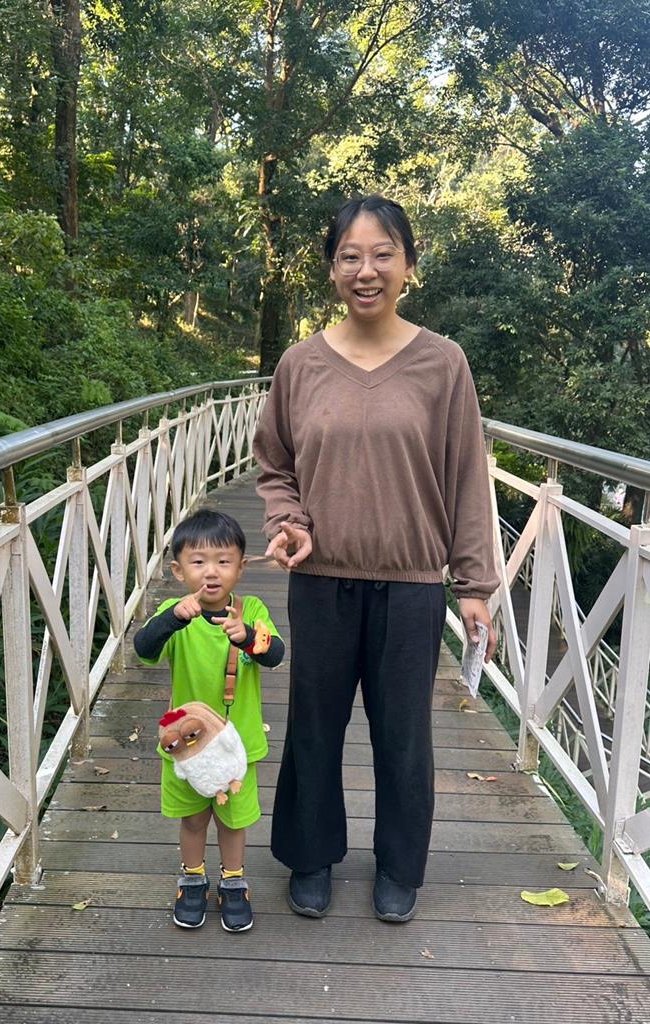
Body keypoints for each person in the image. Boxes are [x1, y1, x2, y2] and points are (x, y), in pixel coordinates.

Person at [253, 194, 499, 924]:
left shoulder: (442, 363)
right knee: (313, 726)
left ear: (408, 265)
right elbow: (274, 465)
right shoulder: (300, 365)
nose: (366, 270)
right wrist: (288, 521)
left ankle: (398, 865)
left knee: (404, 737)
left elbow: (466, 476)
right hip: (321, 581)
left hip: (412, 586)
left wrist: (474, 585)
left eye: (382, 254)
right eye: (350, 256)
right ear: (332, 270)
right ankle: (310, 856)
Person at [133, 509, 284, 932]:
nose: (211, 572)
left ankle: (234, 880)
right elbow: (143, 649)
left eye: (223, 561)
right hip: (186, 746)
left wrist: (249, 637)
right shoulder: (173, 611)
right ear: (178, 571)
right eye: (198, 562)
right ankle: (193, 877)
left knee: (233, 822)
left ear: (241, 567)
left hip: (237, 747)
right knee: (194, 818)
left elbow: (275, 655)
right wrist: (171, 620)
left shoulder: (252, 610)